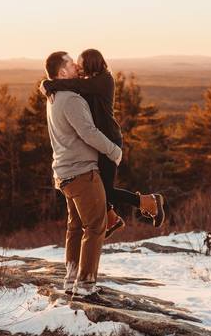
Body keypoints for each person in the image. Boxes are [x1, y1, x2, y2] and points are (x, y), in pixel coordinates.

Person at [41, 48, 166, 238]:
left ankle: (148, 202)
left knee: (104, 189)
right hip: (97, 141)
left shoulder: (103, 81)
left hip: (108, 139)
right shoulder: (88, 82)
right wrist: (50, 85)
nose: (77, 67)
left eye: (80, 64)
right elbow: (74, 87)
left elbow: (75, 86)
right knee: (99, 187)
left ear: (90, 65)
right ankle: (112, 219)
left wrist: (48, 84)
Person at [43, 51, 123, 298]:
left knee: (75, 227)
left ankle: (71, 279)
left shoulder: (54, 97)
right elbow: (88, 132)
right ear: (62, 72)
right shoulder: (72, 100)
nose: (76, 66)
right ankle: (86, 285)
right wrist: (113, 151)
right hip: (81, 172)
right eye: (70, 63)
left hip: (64, 171)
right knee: (96, 226)